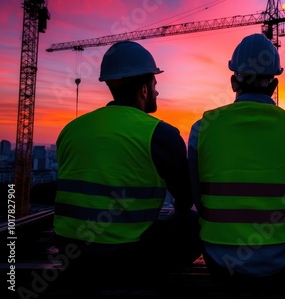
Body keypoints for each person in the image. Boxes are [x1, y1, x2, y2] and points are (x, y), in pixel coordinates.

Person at [53, 40, 201, 288]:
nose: (156, 92)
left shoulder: (71, 129)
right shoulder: (159, 134)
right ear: (144, 90)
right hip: (126, 259)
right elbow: (186, 199)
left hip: (71, 254)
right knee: (193, 224)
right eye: (154, 85)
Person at [188, 33, 285, 281]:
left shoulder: (202, 128)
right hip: (283, 260)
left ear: (233, 82)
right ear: (273, 86)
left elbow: (199, 202)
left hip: (219, 259)